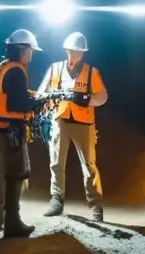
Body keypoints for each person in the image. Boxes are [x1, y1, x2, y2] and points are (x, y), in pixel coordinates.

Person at [0, 28, 49, 238]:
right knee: (17, 173)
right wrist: (39, 102)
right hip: (12, 130)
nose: (31, 56)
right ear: (23, 49)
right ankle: (13, 223)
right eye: (31, 51)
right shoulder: (16, 70)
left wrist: (33, 95)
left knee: (3, 172)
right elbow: (17, 103)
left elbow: (6, 95)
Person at [37, 31, 109, 221]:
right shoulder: (55, 69)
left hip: (84, 123)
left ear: (82, 53)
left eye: (76, 52)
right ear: (66, 50)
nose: (72, 55)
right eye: (70, 51)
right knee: (56, 163)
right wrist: (50, 97)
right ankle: (56, 201)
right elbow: (40, 92)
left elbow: (102, 97)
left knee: (89, 165)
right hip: (60, 120)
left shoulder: (92, 72)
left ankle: (96, 207)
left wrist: (84, 99)